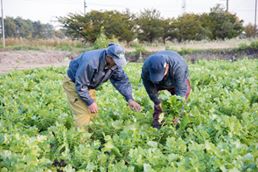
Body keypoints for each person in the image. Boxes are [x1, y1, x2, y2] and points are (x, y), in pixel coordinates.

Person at [63, 43, 141, 128]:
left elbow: (121, 80)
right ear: (108, 57)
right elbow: (81, 84)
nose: (117, 64)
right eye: (115, 61)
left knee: (92, 114)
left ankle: (91, 137)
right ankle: (81, 139)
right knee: (83, 116)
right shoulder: (90, 62)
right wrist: (90, 102)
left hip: (89, 85)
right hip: (74, 84)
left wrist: (129, 98)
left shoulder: (114, 64)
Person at [141, 50, 191, 129]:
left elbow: (181, 92)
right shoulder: (146, 67)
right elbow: (149, 87)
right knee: (159, 105)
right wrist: (157, 102)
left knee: (179, 103)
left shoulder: (178, 67)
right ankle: (157, 126)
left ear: (167, 66)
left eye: (160, 74)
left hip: (177, 80)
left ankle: (177, 124)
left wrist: (177, 113)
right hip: (158, 83)